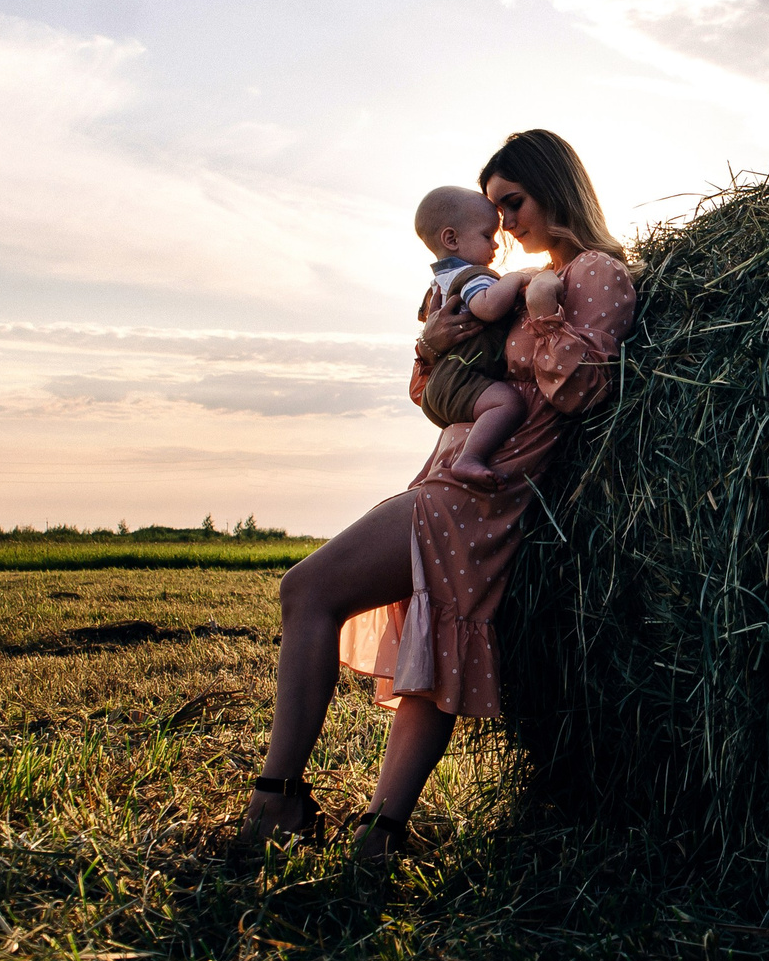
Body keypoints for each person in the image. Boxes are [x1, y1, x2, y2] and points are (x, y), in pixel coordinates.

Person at [242, 131, 637, 857]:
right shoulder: (522, 279)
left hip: (480, 492)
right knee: (432, 653)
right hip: (451, 475)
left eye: (513, 202)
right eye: (495, 208)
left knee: (308, 589)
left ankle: (277, 800)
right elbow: (434, 393)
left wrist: (545, 310)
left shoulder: (596, 272)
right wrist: (432, 342)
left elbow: (585, 388)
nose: (504, 223)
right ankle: (379, 837)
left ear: (556, 188)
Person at [410, 184, 537, 489]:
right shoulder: (471, 276)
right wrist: (515, 278)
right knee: (508, 404)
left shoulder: (439, 283)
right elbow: (488, 307)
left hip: (443, 385)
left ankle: (444, 468)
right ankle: (469, 459)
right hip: (463, 377)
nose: (496, 245)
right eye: (486, 236)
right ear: (451, 239)